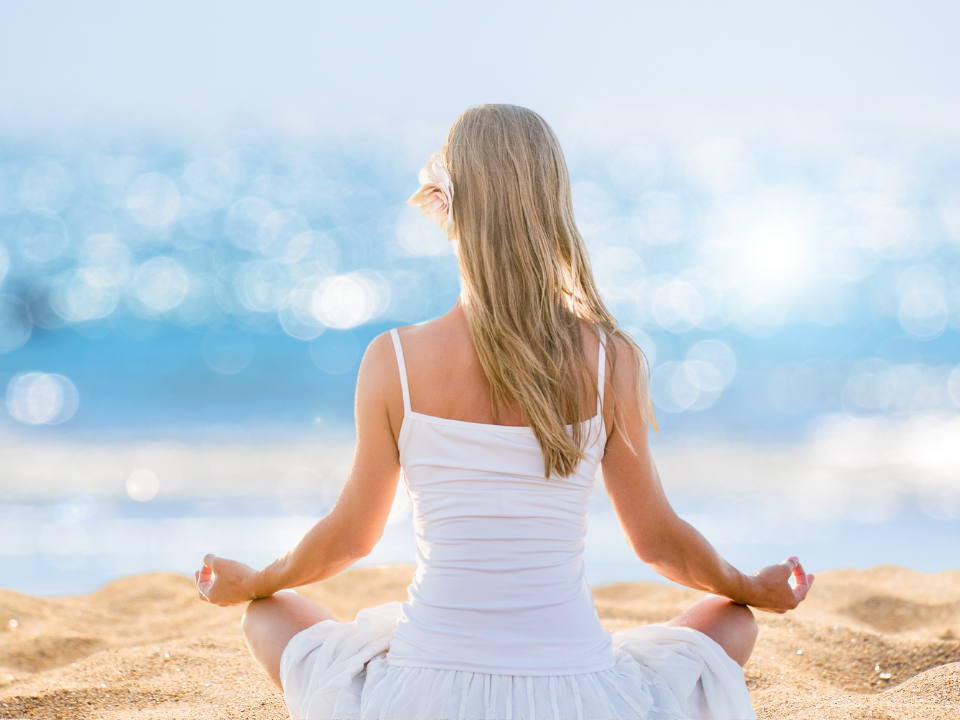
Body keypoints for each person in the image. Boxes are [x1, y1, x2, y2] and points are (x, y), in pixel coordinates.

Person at [195, 104, 813, 720]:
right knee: (729, 624)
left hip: (420, 696)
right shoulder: (611, 359)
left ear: (449, 206)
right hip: (576, 695)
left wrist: (257, 580)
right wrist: (746, 588)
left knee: (270, 614)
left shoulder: (395, 361)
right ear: (553, 204)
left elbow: (351, 538)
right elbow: (657, 543)